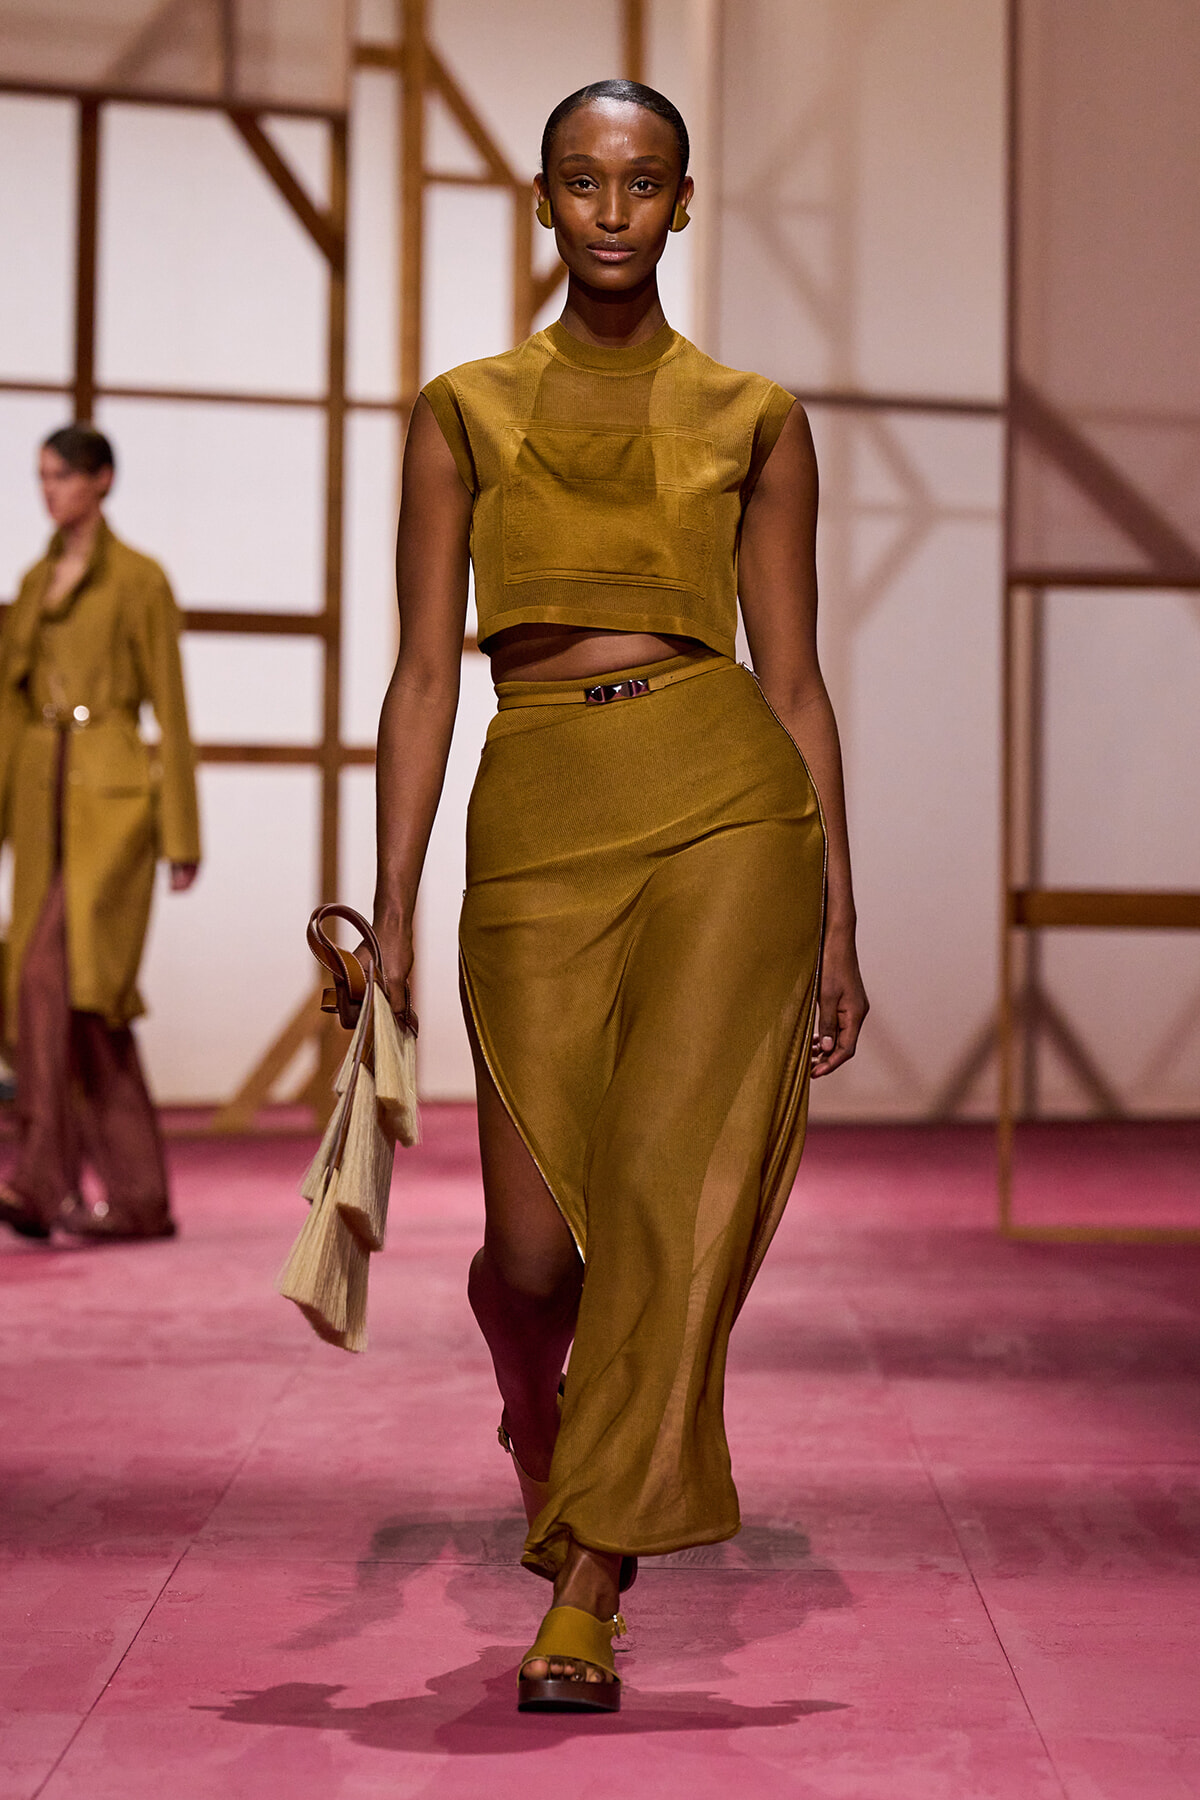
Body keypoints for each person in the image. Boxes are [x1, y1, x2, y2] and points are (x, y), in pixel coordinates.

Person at [372, 80, 867, 1712]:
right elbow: (426, 672)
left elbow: (793, 676)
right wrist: (384, 905)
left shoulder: (754, 416)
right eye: (582, 180)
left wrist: (841, 921)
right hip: (535, 809)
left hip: (727, 806)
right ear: (540, 197)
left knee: (664, 1198)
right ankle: (541, 1414)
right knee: (531, 1251)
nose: (610, 209)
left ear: (682, 201)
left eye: (641, 182)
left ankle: (589, 1580)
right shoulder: (463, 412)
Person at [0, 424, 200, 1243]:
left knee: (63, 986)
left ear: (102, 481)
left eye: (63, 476)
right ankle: (139, 1199)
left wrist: (181, 832)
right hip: (41, 790)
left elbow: (174, 710)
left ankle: (41, 1183)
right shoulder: (36, 579)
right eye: (43, 476)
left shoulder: (140, 580)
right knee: (74, 1003)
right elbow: (9, 702)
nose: (50, 490)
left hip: (113, 799)